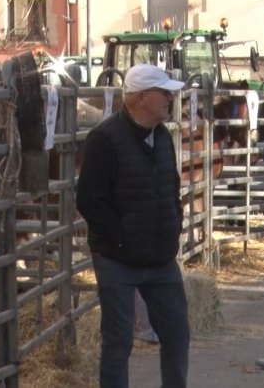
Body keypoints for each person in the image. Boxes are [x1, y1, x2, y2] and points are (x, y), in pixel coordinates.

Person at [76, 63, 189, 388]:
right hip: (117, 259)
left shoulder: (163, 137)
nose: (170, 98)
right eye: (163, 92)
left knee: (177, 333)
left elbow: (171, 185)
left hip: (161, 258)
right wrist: (121, 240)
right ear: (141, 98)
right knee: (118, 340)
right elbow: (90, 200)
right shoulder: (105, 140)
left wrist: (173, 226)